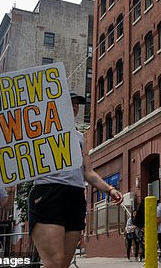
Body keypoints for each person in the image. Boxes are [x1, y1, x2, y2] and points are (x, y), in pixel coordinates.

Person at [28, 92, 123, 268]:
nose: (74, 106)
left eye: (76, 103)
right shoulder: (40, 131)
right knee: (54, 263)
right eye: (70, 102)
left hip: (75, 196)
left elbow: (89, 172)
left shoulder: (80, 137)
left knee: (63, 264)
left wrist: (110, 189)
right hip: (48, 194)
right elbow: (17, 153)